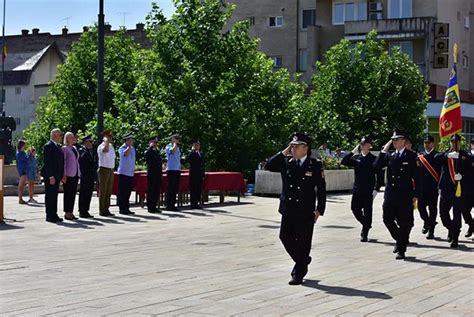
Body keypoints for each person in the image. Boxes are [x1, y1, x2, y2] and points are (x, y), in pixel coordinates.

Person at [266, 132, 326, 285]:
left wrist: (320, 209)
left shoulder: (315, 165)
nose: (293, 149)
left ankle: (298, 273)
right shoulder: (287, 162)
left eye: (296, 146)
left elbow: (321, 189)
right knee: (284, 237)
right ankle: (304, 260)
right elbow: (269, 165)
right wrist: (285, 150)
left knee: (303, 242)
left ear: (305, 148)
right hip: (288, 208)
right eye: (291, 146)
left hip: (306, 210)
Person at [374, 129, 420, 260]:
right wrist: (384, 150)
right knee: (387, 219)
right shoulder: (390, 156)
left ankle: (401, 249)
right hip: (391, 195)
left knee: (405, 223)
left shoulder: (411, 156)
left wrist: (416, 194)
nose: (394, 142)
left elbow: (417, 177)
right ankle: (400, 239)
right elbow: (376, 166)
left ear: (403, 141)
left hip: (405, 195)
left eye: (397, 139)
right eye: (393, 140)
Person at [341, 136, 383, 242]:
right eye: (361, 144)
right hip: (357, 189)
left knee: (368, 211)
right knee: (355, 209)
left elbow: (380, 176)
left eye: (365, 144)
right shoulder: (356, 158)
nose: (363, 146)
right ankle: (366, 224)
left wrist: (376, 190)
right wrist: (353, 151)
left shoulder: (374, 159)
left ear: (369, 145)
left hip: (368, 190)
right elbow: (344, 161)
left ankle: (364, 233)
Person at [436, 134, 470, 248]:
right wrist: (447, 155)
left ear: (460, 143)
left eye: (456, 142)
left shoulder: (465, 155)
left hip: (458, 190)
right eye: (452, 142)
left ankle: (455, 237)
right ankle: (450, 228)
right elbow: (435, 158)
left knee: (456, 214)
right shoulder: (445, 154)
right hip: (445, 189)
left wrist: (462, 175)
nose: (454, 144)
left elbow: (470, 170)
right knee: (443, 214)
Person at [417, 135, 441, 239]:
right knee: (421, 208)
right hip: (422, 188)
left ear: (433, 144)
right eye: (425, 143)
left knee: (432, 209)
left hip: (433, 188)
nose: (426, 145)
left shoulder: (438, 156)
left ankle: (431, 231)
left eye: (429, 143)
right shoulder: (420, 156)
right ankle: (427, 222)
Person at [41, 128, 64, 223]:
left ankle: (54, 214)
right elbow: (47, 163)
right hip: (51, 176)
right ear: (55, 136)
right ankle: (49, 215)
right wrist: (51, 176)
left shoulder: (57, 146)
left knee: (54, 196)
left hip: (57, 175)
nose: (61, 137)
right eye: (60, 135)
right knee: (50, 196)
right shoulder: (48, 146)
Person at [62, 132, 81, 221]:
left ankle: (71, 211)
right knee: (67, 193)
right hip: (68, 174)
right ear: (67, 139)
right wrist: (64, 175)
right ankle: (67, 212)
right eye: (70, 137)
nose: (73, 138)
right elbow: (64, 162)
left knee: (73, 194)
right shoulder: (65, 148)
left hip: (75, 173)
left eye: (73, 137)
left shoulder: (74, 148)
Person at [97, 130, 115, 217]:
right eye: (109, 137)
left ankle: (106, 208)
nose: (111, 139)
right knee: (103, 191)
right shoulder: (101, 146)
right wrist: (106, 142)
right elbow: (105, 150)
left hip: (111, 170)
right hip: (104, 169)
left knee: (108, 191)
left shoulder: (111, 146)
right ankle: (102, 209)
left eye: (111, 137)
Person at [117, 133, 136, 215]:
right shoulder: (122, 148)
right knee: (123, 192)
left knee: (128, 192)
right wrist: (129, 146)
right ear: (127, 140)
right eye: (130, 139)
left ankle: (127, 208)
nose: (132, 141)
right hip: (123, 173)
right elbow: (125, 154)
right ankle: (122, 208)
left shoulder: (132, 148)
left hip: (130, 173)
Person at [78, 135, 97, 218]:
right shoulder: (82, 151)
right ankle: (82, 210)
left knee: (89, 193)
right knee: (83, 193)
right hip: (85, 175)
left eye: (91, 142)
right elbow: (82, 160)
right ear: (85, 142)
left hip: (91, 175)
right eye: (89, 142)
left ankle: (86, 210)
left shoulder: (91, 151)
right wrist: (87, 150)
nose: (91, 144)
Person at [145, 136, 162, 213]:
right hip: (151, 173)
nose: (155, 144)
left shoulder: (157, 151)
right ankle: (150, 207)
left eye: (156, 143)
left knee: (156, 190)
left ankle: (154, 206)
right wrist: (150, 147)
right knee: (151, 190)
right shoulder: (148, 151)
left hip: (157, 173)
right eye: (154, 142)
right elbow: (146, 156)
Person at [165, 134, 181, 211]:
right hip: (171, 170)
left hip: (177, 170)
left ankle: (173, 204)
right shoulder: (168, 146)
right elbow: (172, 151)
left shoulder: (177, 147)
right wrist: (174, 143)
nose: (178, 140)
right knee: (170, 188)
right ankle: (169, 205)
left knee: (175, 188)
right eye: (176, 138)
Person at [187, 140, 205, 209]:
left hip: (200, 174)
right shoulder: (191, 153)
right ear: (193, 146)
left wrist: (203, 174)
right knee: (193, 189)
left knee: (198, 189)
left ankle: (197, 202)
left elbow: (203, 165)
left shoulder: (201, 154)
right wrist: (192, 151)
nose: (197, 146)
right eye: (196, 145)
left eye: (198, 145)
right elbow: (189, 159)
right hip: (194, 174)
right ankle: (193, 204)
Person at [464, 139, 474, 238]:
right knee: (465, 211)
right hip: (468, 189)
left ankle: (471, 228)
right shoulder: (466, 156)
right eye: (473, 143)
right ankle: (471, 225)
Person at [16, 140, 29, 205]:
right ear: (22, 145)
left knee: (21, 185)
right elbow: (26, 160)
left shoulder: (22, 152)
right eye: (24, 145)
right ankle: (20, 199)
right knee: (21, 185)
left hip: (23, 170)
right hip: (22, 171)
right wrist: (30, 154)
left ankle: (20, 198)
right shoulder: (20, 153)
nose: (25, 146)